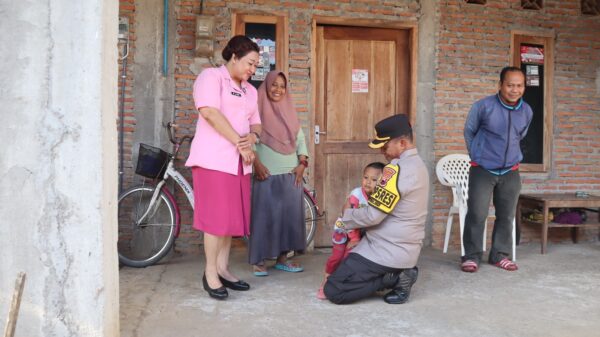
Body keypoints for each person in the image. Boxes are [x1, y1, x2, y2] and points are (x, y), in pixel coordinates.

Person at [323, 114, 430, 305]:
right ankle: (398, 272)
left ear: (402, 143)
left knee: (334, 289)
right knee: (346, 267)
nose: (382, 151)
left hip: (387, 249)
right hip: (401, 245)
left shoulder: (395, 171)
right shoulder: (419, 165)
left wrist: (347, 214)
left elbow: (373, 216)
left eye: (385, 146)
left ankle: (396, 278)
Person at [185, 35, 262, 300]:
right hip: (213, 160)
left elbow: (256, 125)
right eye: (250, 64)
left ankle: (223, 269)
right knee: (215, 221)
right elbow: (210, 113)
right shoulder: (211, 78)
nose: (253, 70)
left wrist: (251, 138)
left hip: (240, 165)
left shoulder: (250, 91)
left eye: (256, 66)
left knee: (230, 220)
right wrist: (240, 144)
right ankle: (210, 274)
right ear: (234, 57)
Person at [461, 66, 533, 273]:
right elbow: (469, 132)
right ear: (500, 85)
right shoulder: (483, 107)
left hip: (511, 170)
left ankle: (500, 255)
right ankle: (472, 256)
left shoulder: (527, 111)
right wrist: (477, 155)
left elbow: (521, 135)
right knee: (477, 213)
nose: (514, 90)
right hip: (482, 169)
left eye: (519, 86)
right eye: (510, 85)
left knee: (506, 215)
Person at [248, 70, 309, 276]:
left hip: (292, 173)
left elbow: (300, 139)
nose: (278, 90)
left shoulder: (289, 110)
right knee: (264, 217)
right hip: (266, 173)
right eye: (274, 84)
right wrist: (256, 163)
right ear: (266, 86)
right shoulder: (256, 108)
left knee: (289, 218)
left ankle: (283, 259)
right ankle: (258, 261)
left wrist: (303, 163)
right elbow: (248, 137)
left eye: (282, 86)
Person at [317, 162, 385, 299]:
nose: (368, 183)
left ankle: (340, 283)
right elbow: (346, 216)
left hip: (359, 234)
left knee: (348, 258)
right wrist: (353, 238)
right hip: (343, 230)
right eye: (366, 178)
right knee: (337, 257)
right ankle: (326, 280)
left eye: (373, 180)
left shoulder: (380, 197)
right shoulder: (356, 194)